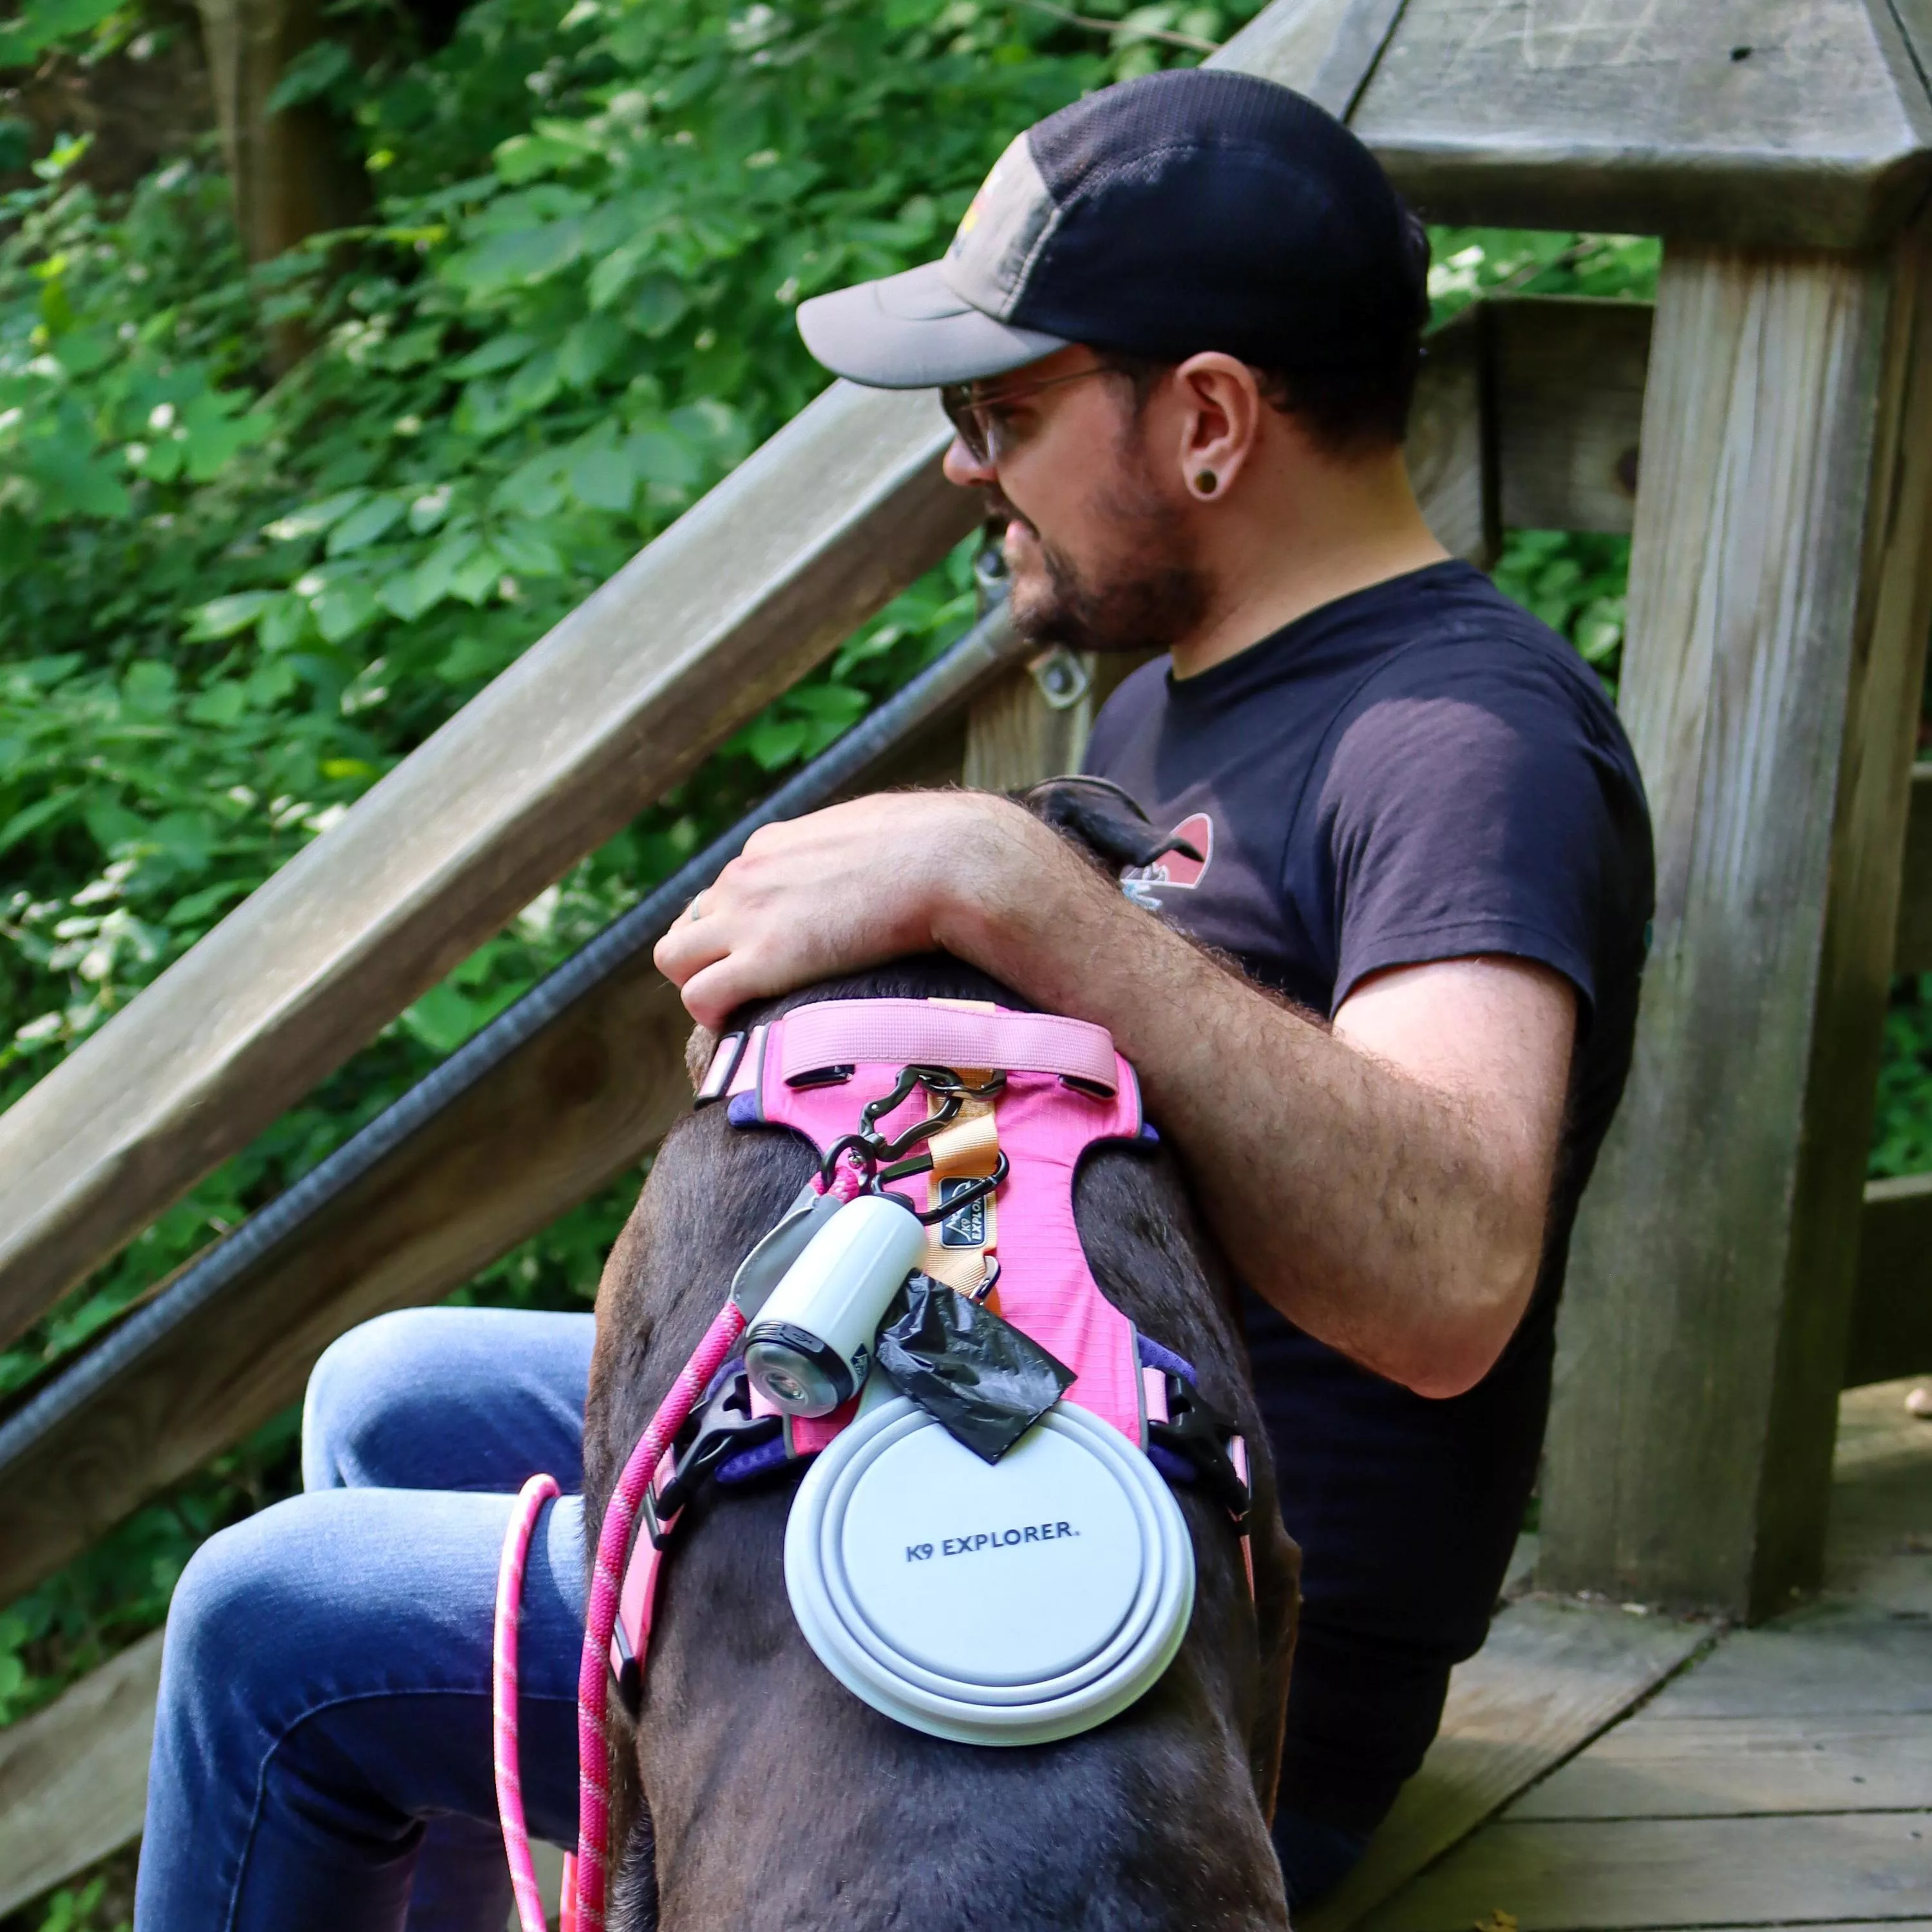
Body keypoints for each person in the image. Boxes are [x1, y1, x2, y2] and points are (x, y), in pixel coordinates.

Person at [134, 68, 1653, 1931]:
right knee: (396, 1393)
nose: (960, 466)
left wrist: (1018, 892)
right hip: (1004, 1441)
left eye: (1002, 411)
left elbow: (1450, 1270)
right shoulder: (1195, 680)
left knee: (270, 1627)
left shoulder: (1463, 743)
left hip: (1144, 1667)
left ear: (1205, 421)